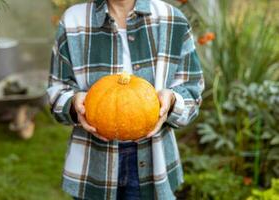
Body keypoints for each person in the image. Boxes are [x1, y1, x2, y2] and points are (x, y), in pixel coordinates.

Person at [47, 0, 204, 199]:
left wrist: (172, 100)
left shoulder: (172, 19)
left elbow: (192, 91)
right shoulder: (73, 21)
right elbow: (56, 90)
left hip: (154, 161)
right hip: (91, 163)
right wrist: (73, 103)